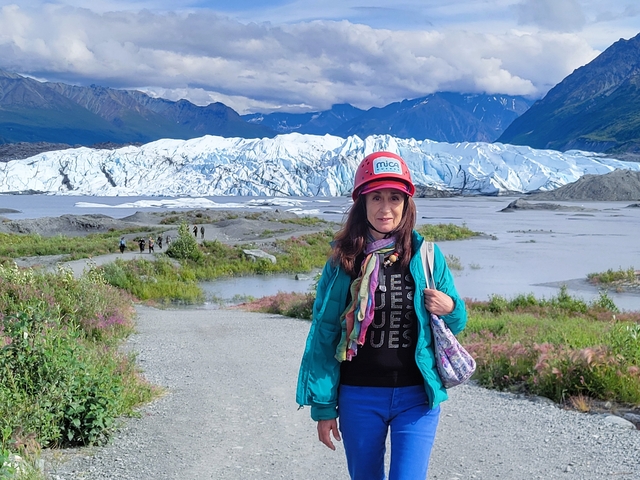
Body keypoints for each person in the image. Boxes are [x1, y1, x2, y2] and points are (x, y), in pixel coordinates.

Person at [296, 151, 467, 480]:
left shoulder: (426, 255)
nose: (385, 208)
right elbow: (325, 334)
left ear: (406, 203)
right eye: (376, 197)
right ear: (362, 202)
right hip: (358, 396)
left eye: (394, 197)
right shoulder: (343, 261)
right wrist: (323, 406)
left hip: (417, 397)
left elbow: (456, 324)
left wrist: (452, 308)